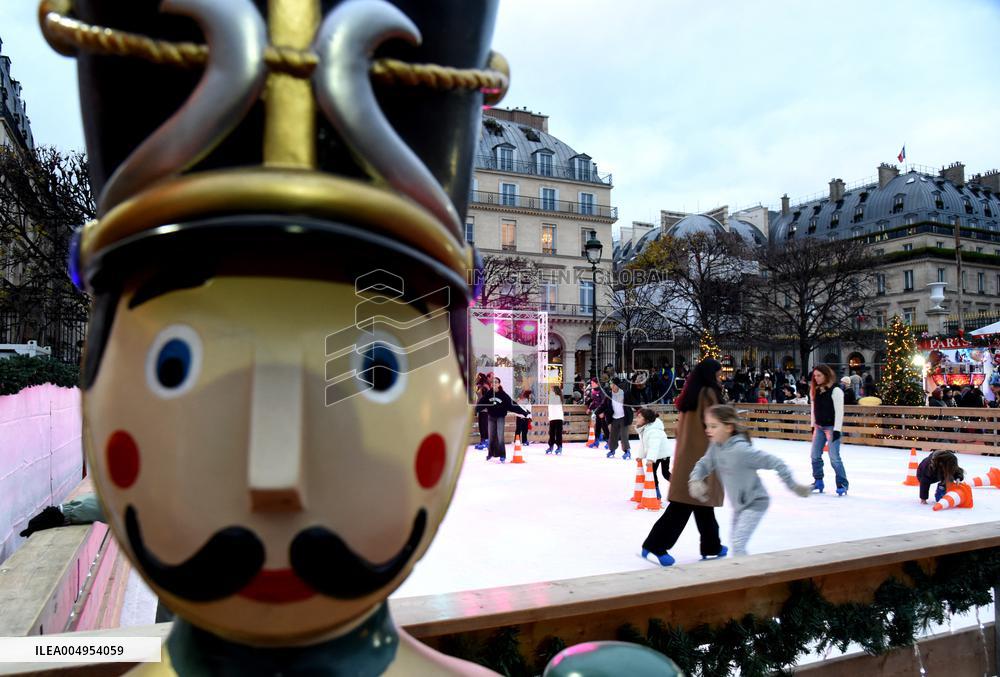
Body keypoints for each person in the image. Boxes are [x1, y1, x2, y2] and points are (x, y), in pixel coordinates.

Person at [688, 405, 811, 556]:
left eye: (713, 426)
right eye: (707, 426)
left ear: (728, 427)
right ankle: (743, 572)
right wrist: (695, 480)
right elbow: (704, 464)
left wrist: (793, 486)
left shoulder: (742, 451)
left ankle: (745, 575)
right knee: (736, 542)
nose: (708, 430)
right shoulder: (716, 447)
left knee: (738, 543)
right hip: (740, 505)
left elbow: (776, 462)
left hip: (756, 502)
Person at [641, 358, 727, 567]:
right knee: (681, 508)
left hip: (690, 458)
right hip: (702, 458)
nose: (720, 378)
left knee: (703, 506)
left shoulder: (690, 395)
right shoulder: (708, 394)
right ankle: (655, 544)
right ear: (710, 375)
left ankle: (712, 546)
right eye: (718, 374)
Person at [809, 365, 849, 495]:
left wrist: (837, 429)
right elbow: (813, 408)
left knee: (834, 457)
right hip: (819, 427)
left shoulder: (836, 390)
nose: (816, 378)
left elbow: (839, 411)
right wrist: (812, 425)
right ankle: (818, 480)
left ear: (826, 375)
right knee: (815, 456)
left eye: (819, 375)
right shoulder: (816, 390)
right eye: (815, 376)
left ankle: (842, 483)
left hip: (831, 427)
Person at [485, 377, 530, 463]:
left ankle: (502, 455)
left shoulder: (503, 395)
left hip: (500, 417)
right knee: (491, 436)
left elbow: (512, 405)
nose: (494, 384)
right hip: (491, 417)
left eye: (496, 382)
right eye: (492, 383)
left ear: (499, 384)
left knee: (500, 436)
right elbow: (482, 403)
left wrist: (524, 412)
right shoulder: (488, 394)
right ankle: (490, 454)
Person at [634, 408, 671, 499]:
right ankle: (656, 490)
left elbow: (654, 446)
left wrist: (650, 459)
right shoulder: (645, 429)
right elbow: (644, 444)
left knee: (665, 473)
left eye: (639, 417)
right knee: (652, 472)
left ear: (646, 420)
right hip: (655, 454)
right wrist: (640, 456)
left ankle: (679, 486)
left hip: (663, 454)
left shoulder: (653, 430)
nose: (636, 419)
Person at [598, 378, 633, 460]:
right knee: (613, 435)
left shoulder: (625, 393)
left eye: (612, 384)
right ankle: (612, 450)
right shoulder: (609, 394)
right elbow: (603, 405)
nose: (611, 386)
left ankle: (627, 451)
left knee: (624, 436)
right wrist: (597, 412)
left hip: (624, 417)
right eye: (610, 384)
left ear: (617, 385)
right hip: (614, 417)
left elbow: (633, 402)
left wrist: (640, 410)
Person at [586, 378, 609, 448]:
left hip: (602, 412)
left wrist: (603, 412)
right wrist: (589, 408)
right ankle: (596, 441)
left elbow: (604, 402)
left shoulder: (601, 391)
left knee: (604, 426)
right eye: (591, 383)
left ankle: (609, 441)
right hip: (597, 411)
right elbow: (594, 401)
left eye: (593, 383)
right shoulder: (593, 391)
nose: (591, 384)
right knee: (598, 426)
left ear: (597, 383)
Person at [546, 384, 564, 455]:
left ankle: (559, 446)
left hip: (558, 417)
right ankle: (551, 446)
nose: (550, 390)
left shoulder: (557, 397)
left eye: (552, 389)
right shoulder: (553, 397)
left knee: (558, 433)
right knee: (551, 432)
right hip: (552, 417)